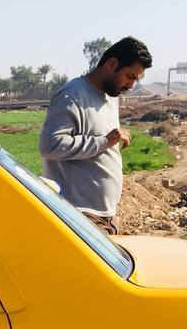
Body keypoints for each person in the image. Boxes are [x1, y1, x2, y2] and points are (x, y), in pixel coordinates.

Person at [38, 37, 152, 234]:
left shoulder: (111, 96)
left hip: (106, 215)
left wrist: (109, 140)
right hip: (78, 215)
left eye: (136, 79)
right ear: (112, 64)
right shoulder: (72, 95)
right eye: (130, 76)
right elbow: (51, 145)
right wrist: (105, 141)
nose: (131, 85)